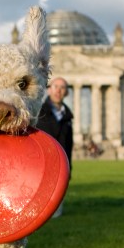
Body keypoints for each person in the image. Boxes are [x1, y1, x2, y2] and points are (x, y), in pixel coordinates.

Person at [36, 76, 74, 217]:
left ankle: (55, 215)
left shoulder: (68, 116)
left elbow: (69, 145)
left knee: (57, 200)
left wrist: (69, 167)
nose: (58, 91)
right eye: (55, 87)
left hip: (61, 164)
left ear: (66, 93)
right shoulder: (39, 111)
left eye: (62, 88)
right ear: (49, 90)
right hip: (42, 163)